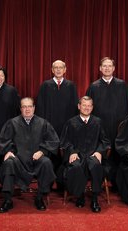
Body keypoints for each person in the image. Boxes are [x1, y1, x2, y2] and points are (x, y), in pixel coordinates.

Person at [0, 97, 60, 212]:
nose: (27, 109)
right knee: (8, 163)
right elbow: (4, 141)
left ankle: (40, 198)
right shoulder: (12, 123)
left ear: (34, 108)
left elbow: (53, 141)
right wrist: (9, 151)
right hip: (18, 159)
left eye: (30, 106)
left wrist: (42, 151)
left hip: (36, 160)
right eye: (24, 107)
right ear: (20, 109)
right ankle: (7, 200)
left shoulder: (43, 123)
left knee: (46, 162)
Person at [86, 57, 128, 190]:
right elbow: (88, 108)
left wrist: (126, 125)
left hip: (118, 126)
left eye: (109, 66)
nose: (107, 68)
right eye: (104, 66)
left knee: (117, 153)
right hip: (100, 127)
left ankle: (118, 183)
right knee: (101, 151)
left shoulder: (122, 85)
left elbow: (127, 106)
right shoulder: (93, 86)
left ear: (114, 68)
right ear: (100, 68)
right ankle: (98, 182)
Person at [60, 96, 110, 213]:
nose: (86, 108)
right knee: (76, 166)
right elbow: (65, 142)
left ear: (92, 108)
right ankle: (80, 195)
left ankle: (94, 198)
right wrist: (72, 152)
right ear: (79, 106)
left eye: (89, 106)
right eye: (84, 105)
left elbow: (105, 141)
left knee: (96, 166)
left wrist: (99, 152)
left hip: (93, 154)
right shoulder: (71, 123)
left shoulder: (98, 122)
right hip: (78, 154)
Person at [36, 60, 78, 188]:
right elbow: (40, 107)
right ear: (52, 70)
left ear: (65, 70)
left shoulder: (71, 86)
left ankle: (63, 184)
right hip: (50, 126)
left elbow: (76, 108)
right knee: (50, 154)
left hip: (66, 127)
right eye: (56, 68)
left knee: (65, 153)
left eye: (61, 68)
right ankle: (47, 184)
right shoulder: (45, 86)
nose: (58, 70)